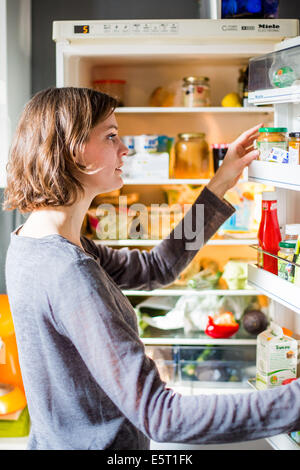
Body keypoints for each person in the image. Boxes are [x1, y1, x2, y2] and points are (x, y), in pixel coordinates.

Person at [3, 87, 300, 450]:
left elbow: (156, 265)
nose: (125, 148)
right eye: (111, 136)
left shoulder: (31, 241)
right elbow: (161, 416)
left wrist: (221, 181)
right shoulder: (70, 271)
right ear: (72, 150)